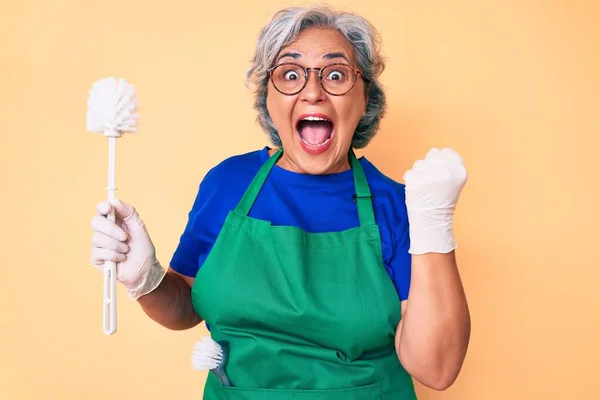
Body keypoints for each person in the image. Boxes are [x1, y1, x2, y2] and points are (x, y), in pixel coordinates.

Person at [89, 3, 470, 399]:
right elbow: (186, 308)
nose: (312, 92)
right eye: (290, 74)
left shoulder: (395, 204)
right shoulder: (228, 184)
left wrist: (434, 223)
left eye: (336, 75)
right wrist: (144, 279)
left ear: (365, 98)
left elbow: (436, 369)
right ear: (268, 98)